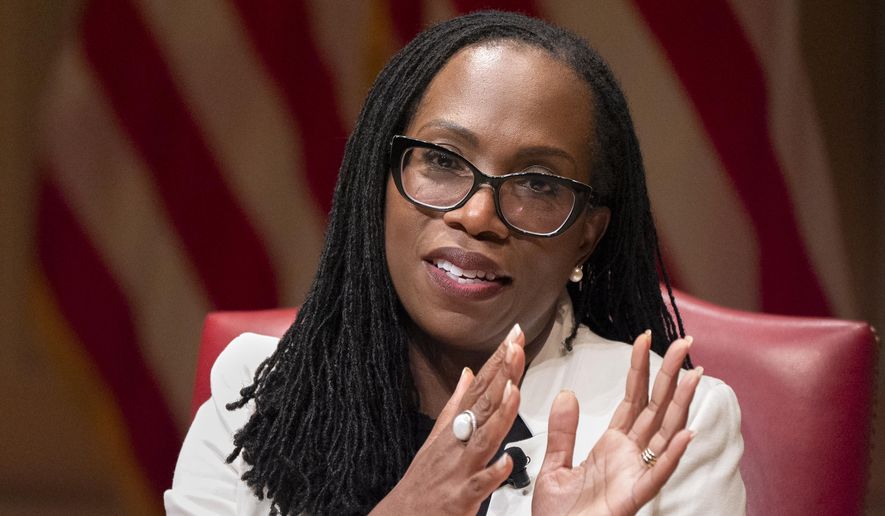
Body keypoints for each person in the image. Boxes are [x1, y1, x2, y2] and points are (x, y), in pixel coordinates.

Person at [165, 11, 745, 515]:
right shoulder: (260, 389)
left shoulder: (668, 426)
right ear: (380, 182)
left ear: (587, 237)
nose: (477, 214)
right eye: (442, 160)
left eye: (538, 183)